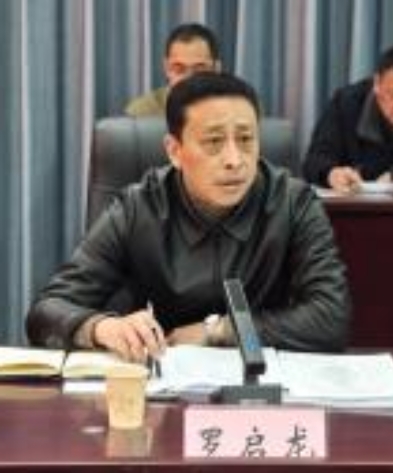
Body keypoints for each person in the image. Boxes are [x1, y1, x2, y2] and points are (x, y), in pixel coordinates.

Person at [27, 72, 350, 361]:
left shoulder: (294, 203)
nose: (234, 160)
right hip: (163, 380)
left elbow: (332, 317)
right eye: (213, 142)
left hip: (263, 387)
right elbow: (48, 310)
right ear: (174, 151)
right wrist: (102, 327)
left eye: (245, 139)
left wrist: (219, 330)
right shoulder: (138, 208)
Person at [303, 44, 393, 192]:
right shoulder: (346, 104)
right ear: (377, 84)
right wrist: (332, 174)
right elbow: (314, 161)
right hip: (353, 201)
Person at [125, 22, 221, 117]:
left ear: (216, 69)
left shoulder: (228, 108)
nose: (188, 79)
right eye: (179, 69)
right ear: (167, 68)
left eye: (199, 70)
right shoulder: (142, 112)